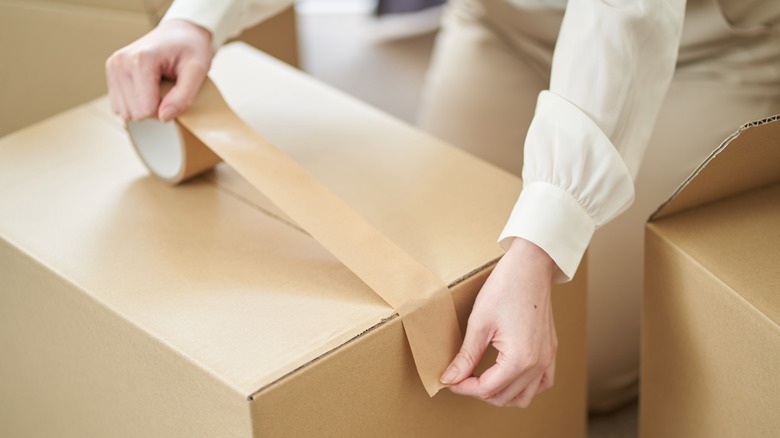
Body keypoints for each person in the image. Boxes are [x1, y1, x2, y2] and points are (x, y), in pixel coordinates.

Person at [106, 0, 780, 411]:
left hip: (699, 43)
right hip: (507, 20)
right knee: (453, 280)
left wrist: (543, 245)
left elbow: (623, 18)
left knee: (580, 365)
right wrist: (198, 18)